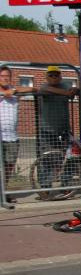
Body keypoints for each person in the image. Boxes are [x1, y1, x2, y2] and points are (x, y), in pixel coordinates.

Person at [38, 65, 79, 199]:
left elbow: (76, 90)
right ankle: (45, 188)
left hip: (64, 129)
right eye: (51, 75)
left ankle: (66, 185)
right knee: (47, 159)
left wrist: (75, 89)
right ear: (47, 77)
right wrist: (66, 93)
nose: (54, 77)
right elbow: (44, 89)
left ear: (60, 76)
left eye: (56, 75)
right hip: (47, 130)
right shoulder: (44, 87)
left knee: (70, 158)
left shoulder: (65, 85)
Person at [0, 65, 33, 204]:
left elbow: (32, 89)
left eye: (7, 76)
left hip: (12, 137)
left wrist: (13, 90)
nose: (5, 78)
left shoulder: (14, 93)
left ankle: (3, 193)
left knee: (8, 167)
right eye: (2, 76)